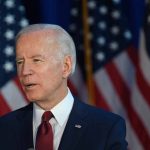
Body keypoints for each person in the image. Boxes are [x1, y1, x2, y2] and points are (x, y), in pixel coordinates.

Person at [0, 24, 127, 150]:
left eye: (36, 60)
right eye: (20, 62)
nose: (25, 71)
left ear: (66, 66)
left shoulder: (106, 128)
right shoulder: (4, 128)